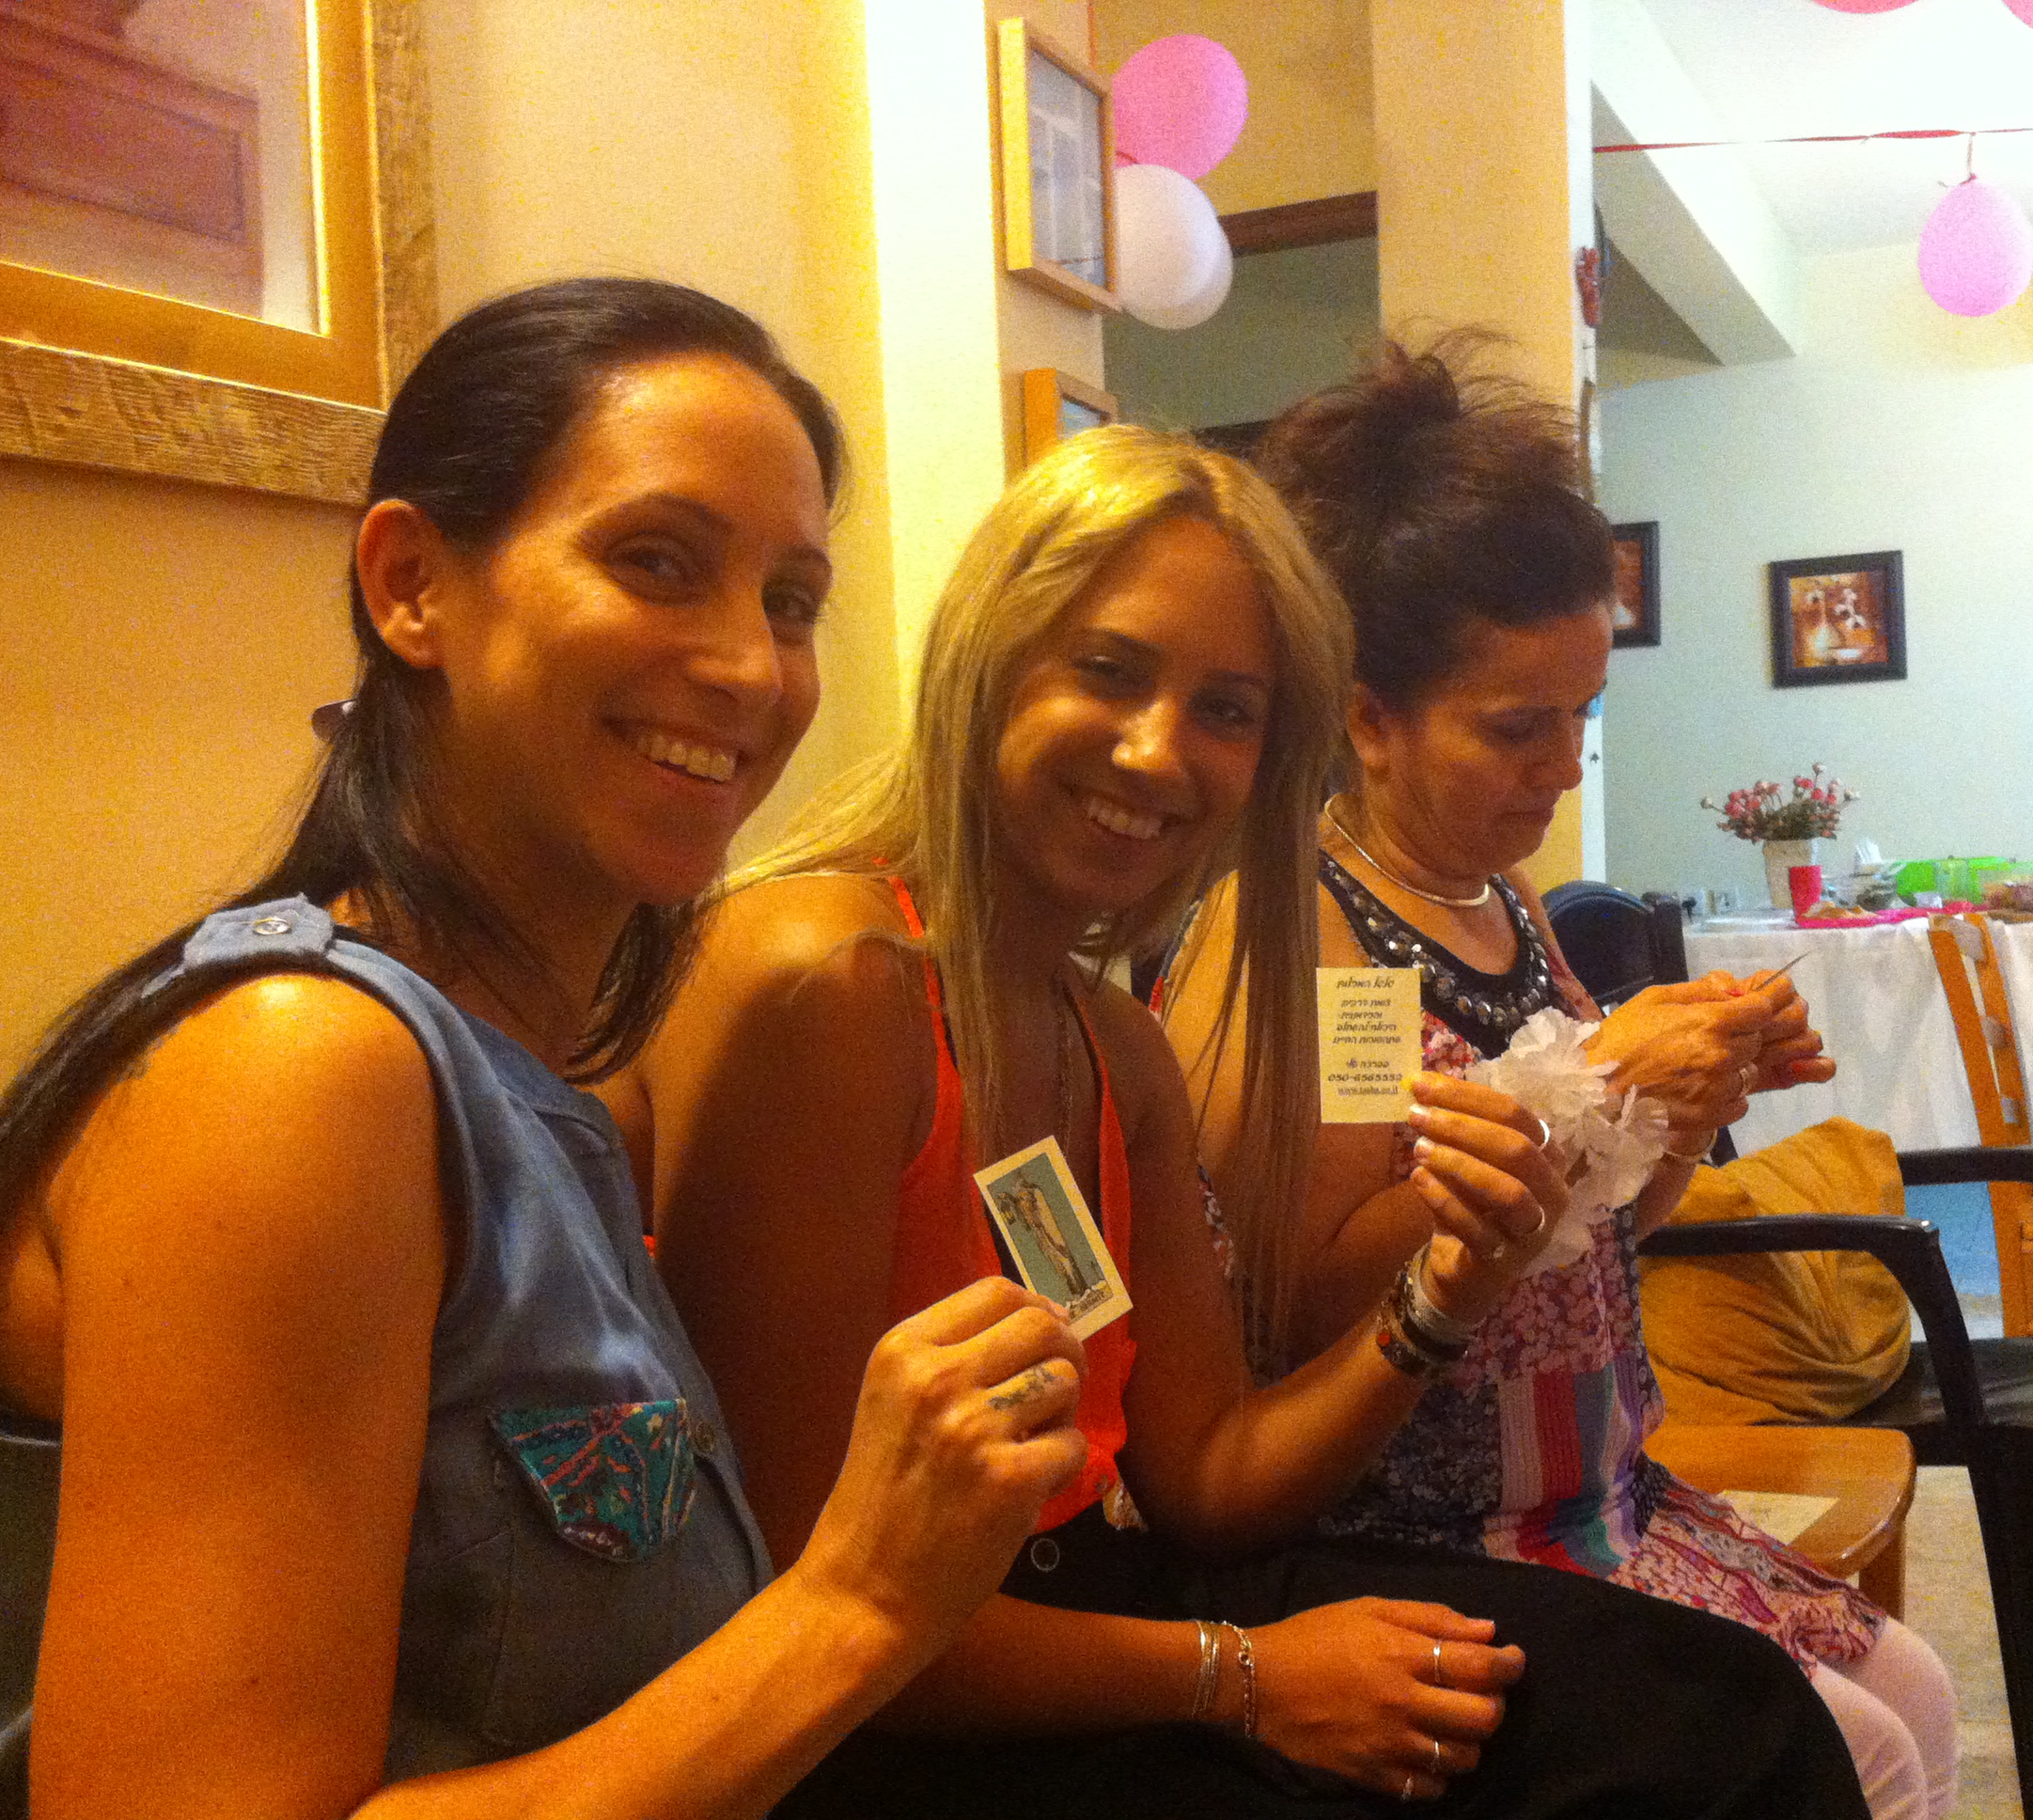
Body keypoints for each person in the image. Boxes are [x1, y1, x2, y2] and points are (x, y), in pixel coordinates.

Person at [0, 278, 1091, 1820]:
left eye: (791, 601)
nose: (751, 667)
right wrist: (857, 1603)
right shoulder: (292, 1073)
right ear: (412, 586)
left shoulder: (528, 1082)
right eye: (657, 562)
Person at [615, 424, 1869, 1817]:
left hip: (1142, 1586)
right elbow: (805, 1616)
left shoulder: (1117, 1045)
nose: (1160, 751)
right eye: (1108, 671)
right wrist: (1241, 1673)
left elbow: (1210, 1479)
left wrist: (1456, 1285)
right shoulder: (842, 977)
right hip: (914, 1715)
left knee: (1735, 1716)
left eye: (1226, 710)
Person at [1159, 337, 1958, 1820]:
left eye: (1579, 718)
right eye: (1518, 729)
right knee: (1869, 1754)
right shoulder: (1320, 944)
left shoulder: (1502, 900)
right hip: (1431, 1538)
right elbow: (1303, 1298)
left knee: (1912, 1691)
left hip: (1593, 1494)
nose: (1565, 768)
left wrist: (1681, 1112)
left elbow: (1602, 1236)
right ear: (1367, 717)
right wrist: (1588, 1078)